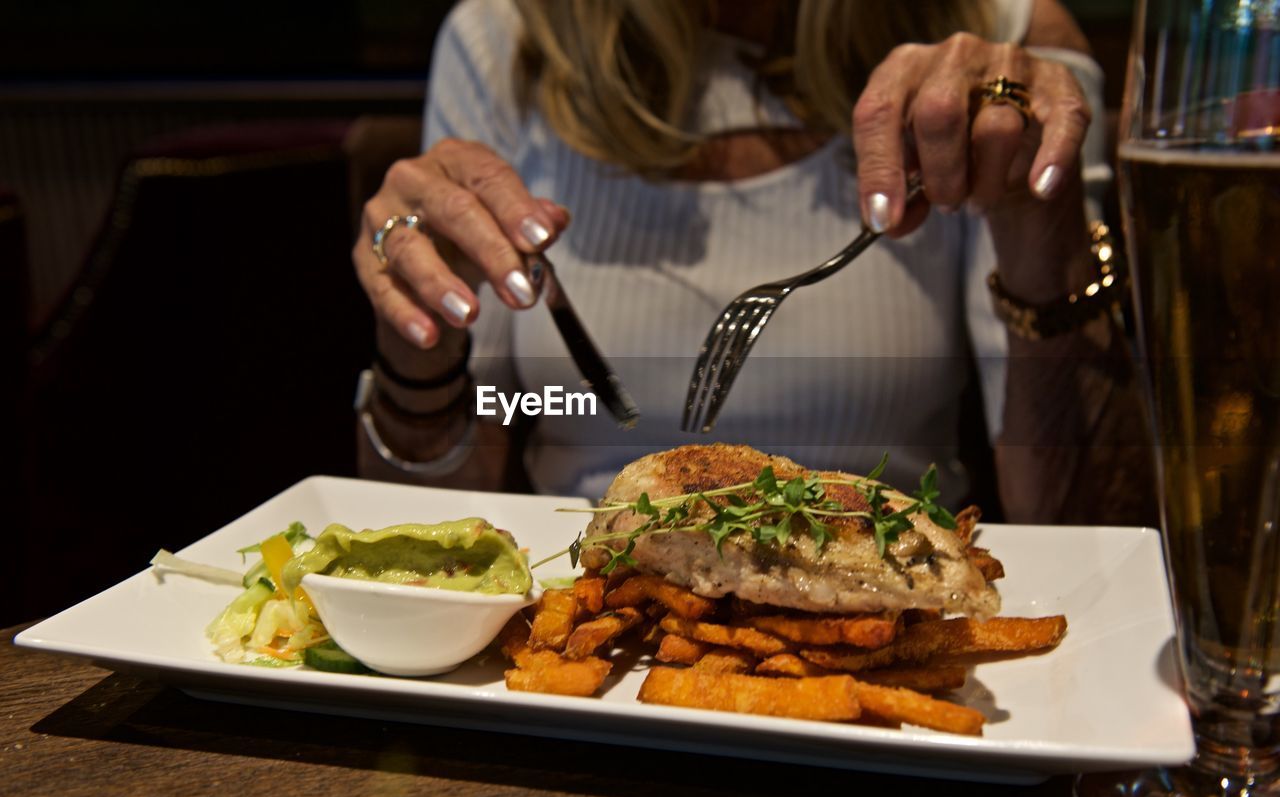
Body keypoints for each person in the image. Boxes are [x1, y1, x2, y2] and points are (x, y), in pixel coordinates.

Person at [352, 0, 1154, 525]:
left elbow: (1092, 536)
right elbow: (428, 527)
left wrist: (1036, 223)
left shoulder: (992, 43)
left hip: (894, 647)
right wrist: (418, 336)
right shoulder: (507, 41)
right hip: (590, 665)